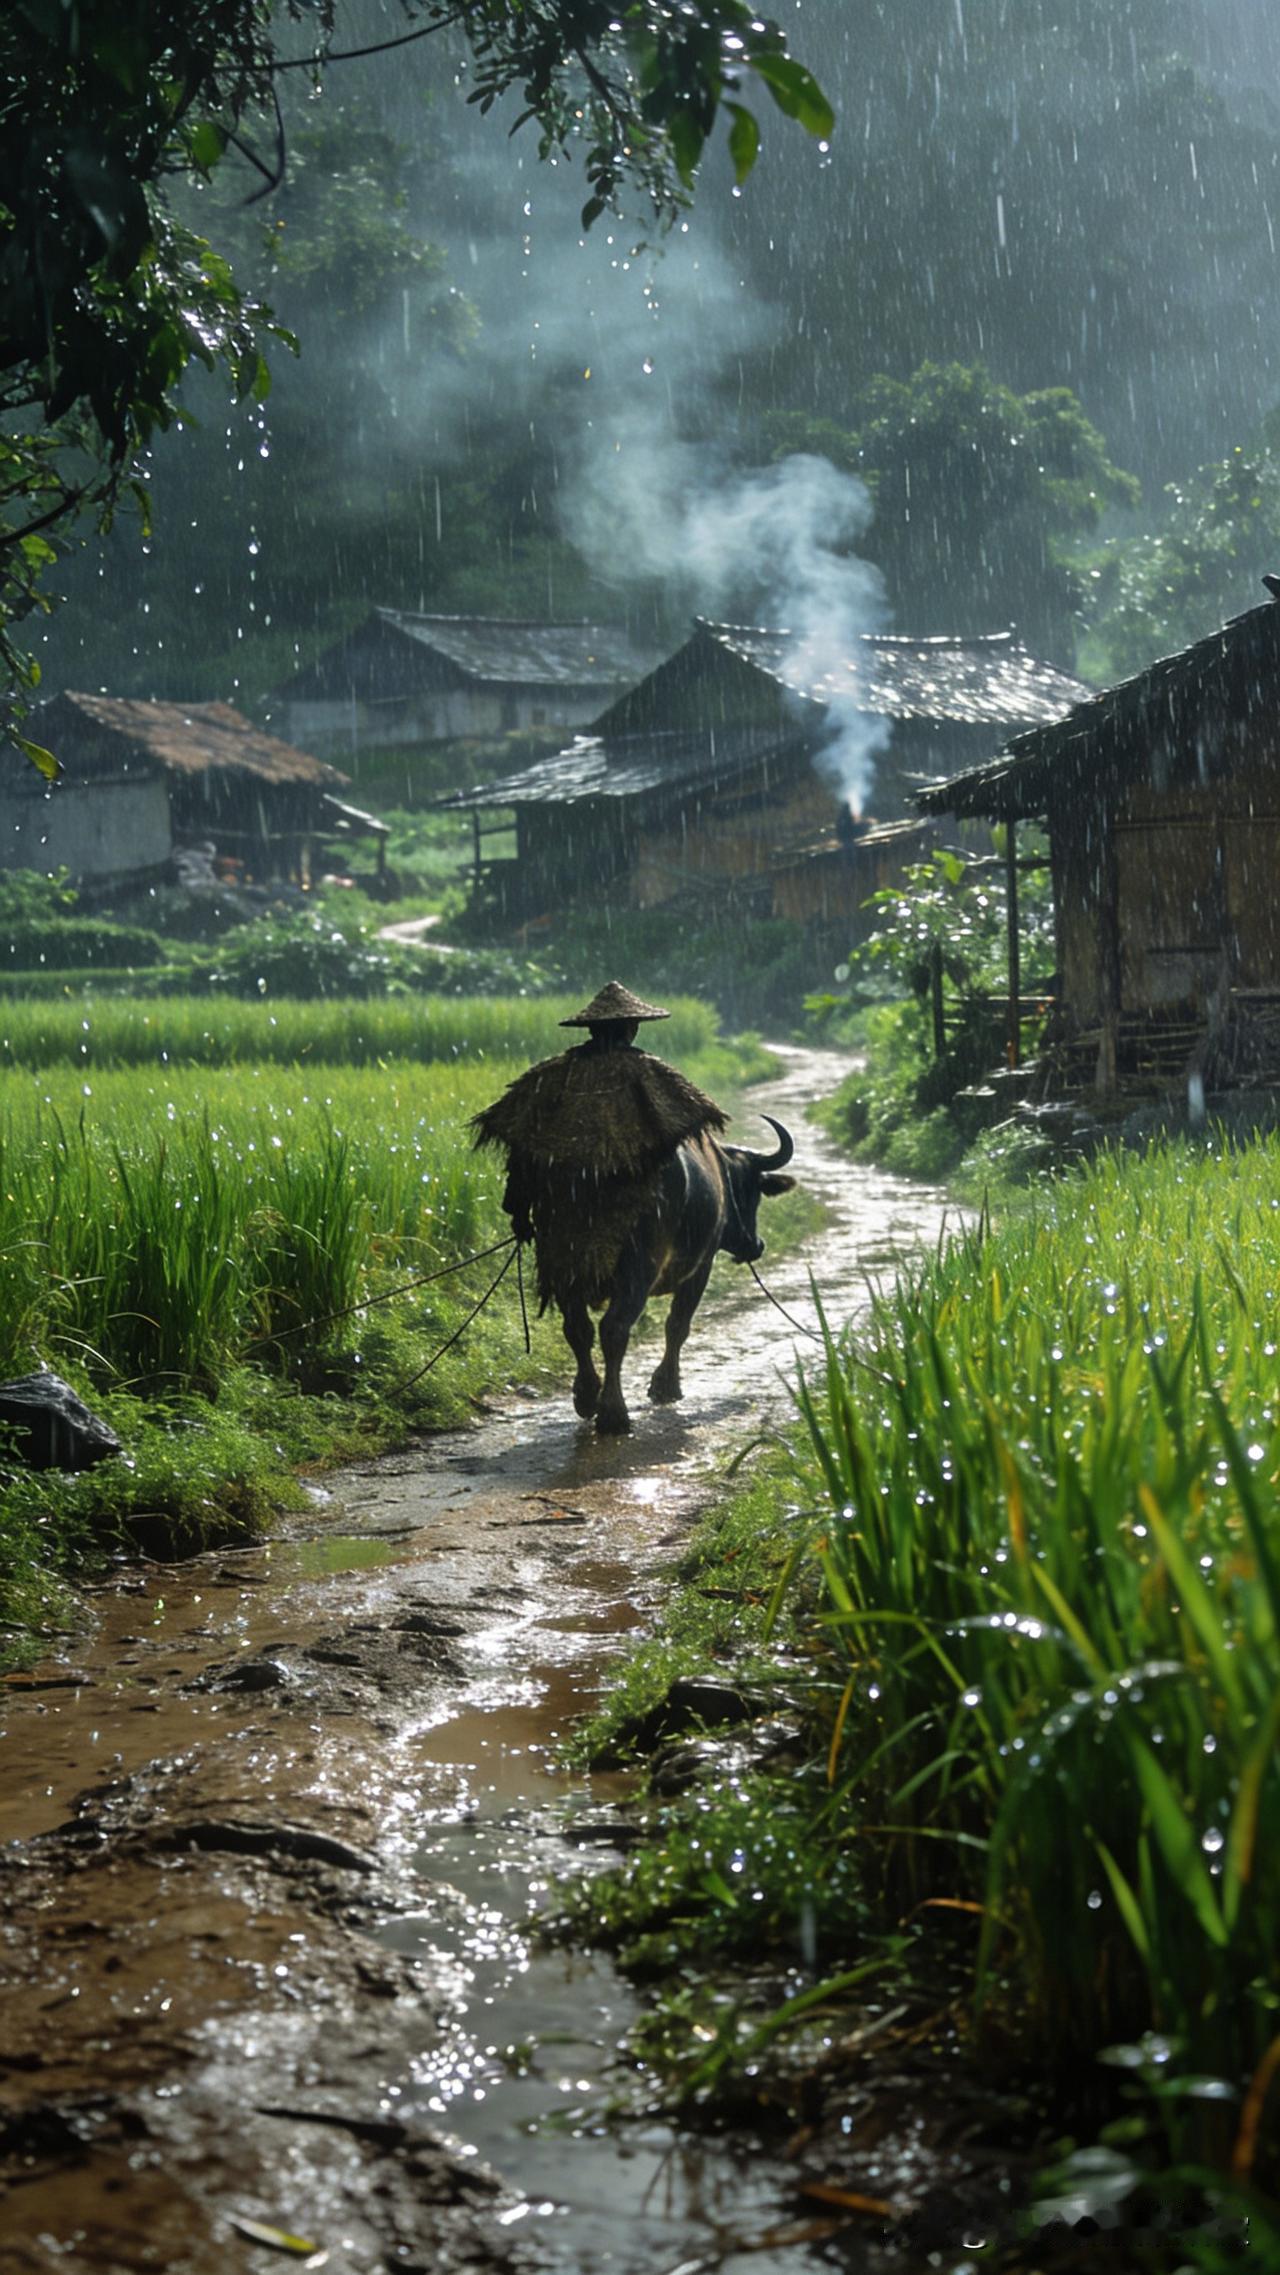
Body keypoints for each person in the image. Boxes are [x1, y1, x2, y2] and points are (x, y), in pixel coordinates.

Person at [471, 981, 727, 1307]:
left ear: (591, 1029)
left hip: (566, 1209)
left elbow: (521, 1149)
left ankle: (578, 1334)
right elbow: (690, 1123)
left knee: (566, 1288)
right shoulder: (653, 1076)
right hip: (629, 1206)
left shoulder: (550, 1078)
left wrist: (519, 1213)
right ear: (632, 1029)